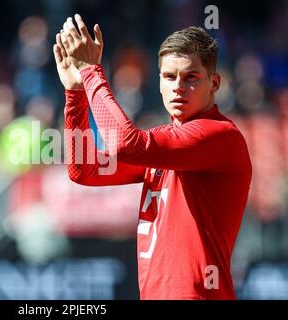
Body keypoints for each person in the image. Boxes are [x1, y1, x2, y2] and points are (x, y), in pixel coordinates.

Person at [53, 14, 252, 300]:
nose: (178, 87)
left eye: (191, 77)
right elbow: (84, 169)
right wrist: (75, 93)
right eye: (169, 77)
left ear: (215, 83)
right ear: (158, 82)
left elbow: (124, 143)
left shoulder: (220, 136)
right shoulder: (161, 145)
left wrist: (92, 71)